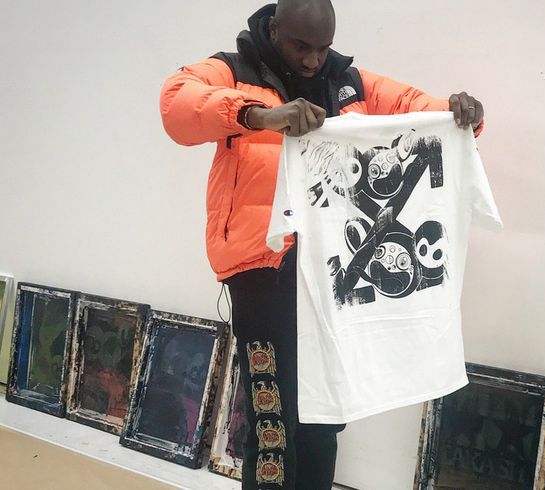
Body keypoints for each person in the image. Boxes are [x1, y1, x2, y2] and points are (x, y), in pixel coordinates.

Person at [159, 1, 485, 488]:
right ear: (274, 28)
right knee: (273, 422)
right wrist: (259, 115)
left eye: (322, 48)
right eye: (301, 46)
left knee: (325, 416)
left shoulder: (348, 82)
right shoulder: (234, 70)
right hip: (262, 273)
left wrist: (463, 115)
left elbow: (418, 108)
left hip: (337, 276)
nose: (313, 60)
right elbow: (177, 105)